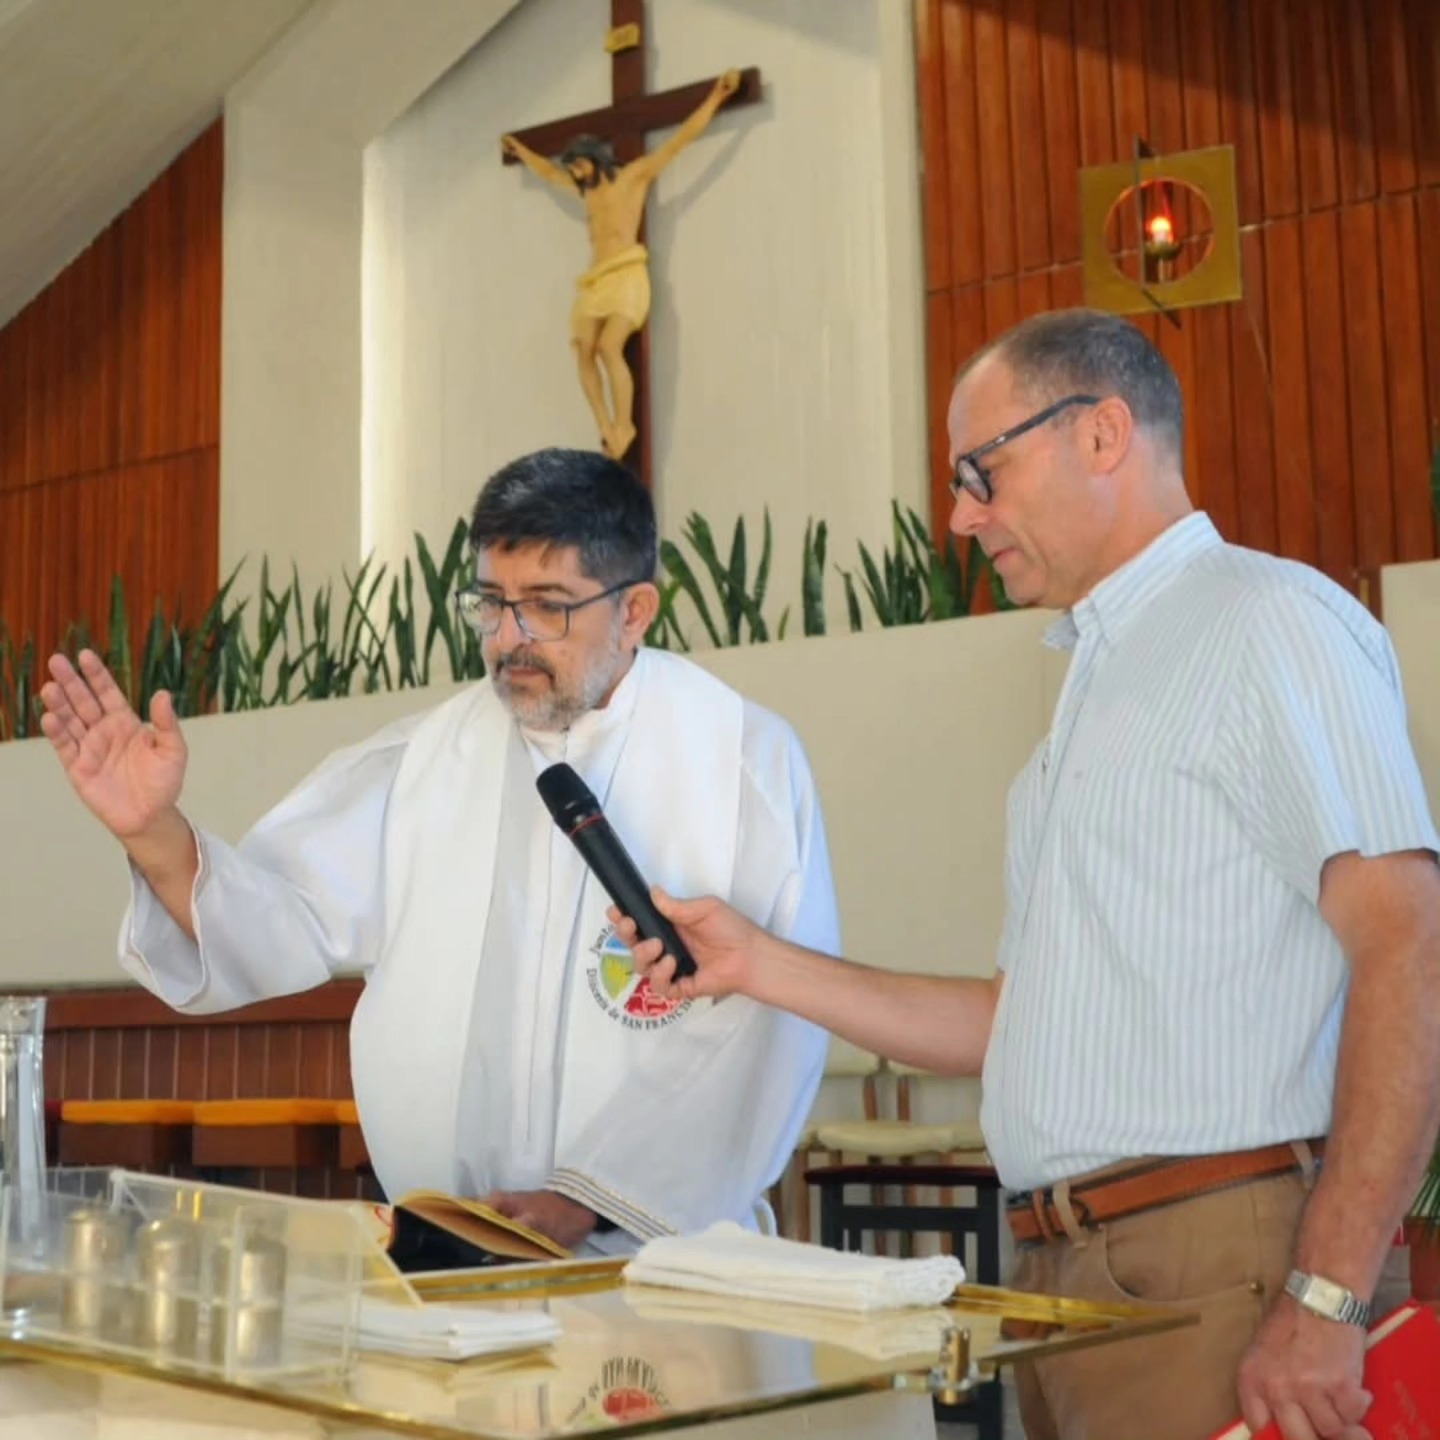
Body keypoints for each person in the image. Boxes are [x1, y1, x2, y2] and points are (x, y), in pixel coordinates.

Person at [612, 310, 1440, 1440]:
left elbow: (1409, 947)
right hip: (1067, 1269)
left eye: (982, 472)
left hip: (1216, 1257)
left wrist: (1329, 1293)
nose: (962, 516)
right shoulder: (1095, 688)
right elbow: (1015, 1025)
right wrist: (755, 962)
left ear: (1103, 434)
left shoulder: (1265, 623)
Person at [39, 447, 839, 1256]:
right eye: (491, 603)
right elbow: (271, 921)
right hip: (454, 1246)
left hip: (663, 1260)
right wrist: (152, 829)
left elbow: (774, 1023)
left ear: (634, 611)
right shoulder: (424, 760)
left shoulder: (742, 765)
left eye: (547, 607)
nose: (509, 639)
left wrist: (591, 1200)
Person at [501, 69, 742, 460]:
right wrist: (521, 150)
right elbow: (547, 172)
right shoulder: (586, 192)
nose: (576, 173)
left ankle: (624, 423)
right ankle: (605, 426)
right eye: (573, 168)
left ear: (595, 159)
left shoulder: (633, 177)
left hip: (627, 273)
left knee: (610, 347)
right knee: (583, 348)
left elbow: (680, 141)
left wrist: (716, 97)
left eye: (580, 166)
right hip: (595, 280)